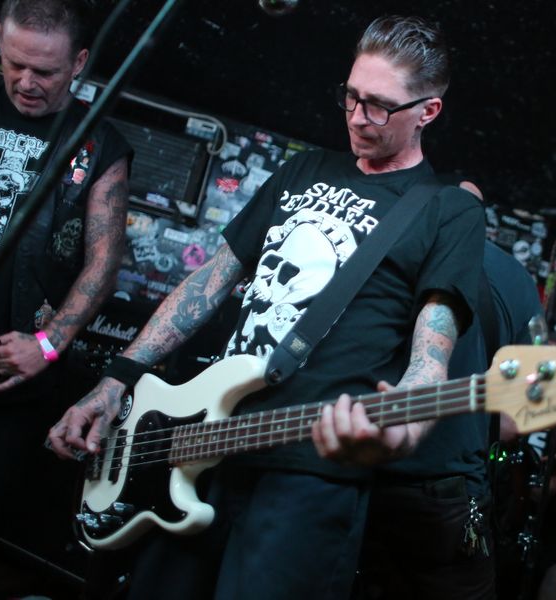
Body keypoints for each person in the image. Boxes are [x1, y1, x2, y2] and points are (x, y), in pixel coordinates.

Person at [49, 15, 485, 600]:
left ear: (428, 111)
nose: (358, 116)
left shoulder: (447, 210)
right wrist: (117, 379)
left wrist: (401, 432)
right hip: (202, 440)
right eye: (352, 95)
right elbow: (209, 282)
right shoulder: (304, 170)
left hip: (310, 474)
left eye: (380, 106)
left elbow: (431, 357)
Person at [0, 0, 132, 595]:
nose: (26, 81)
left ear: (78, 62)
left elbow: (103, 265)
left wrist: (48, 345)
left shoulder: (100, 146)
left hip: (4, 382)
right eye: (14, 63)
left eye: (45, 71)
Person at [351, 177, 544, 599]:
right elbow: (514, 423)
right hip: (452, 493)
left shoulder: (390, 247)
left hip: (363, 476)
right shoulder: (518, 279)